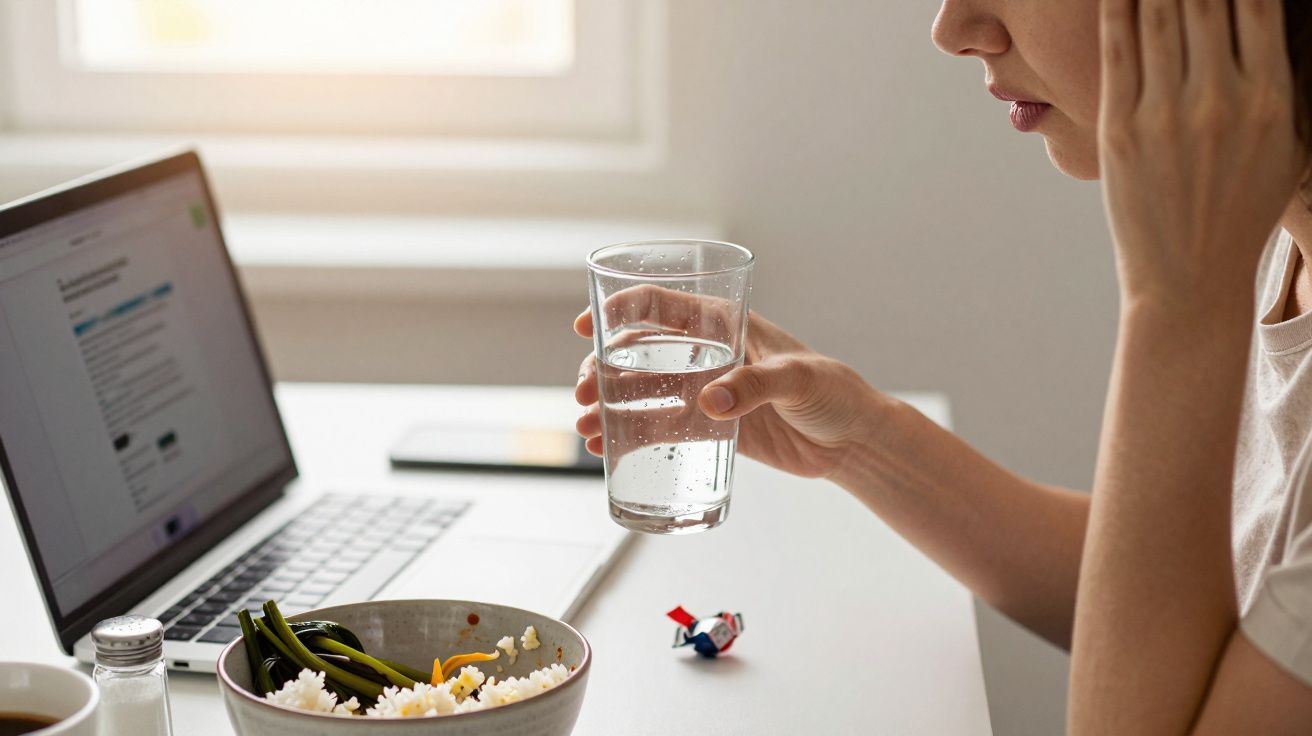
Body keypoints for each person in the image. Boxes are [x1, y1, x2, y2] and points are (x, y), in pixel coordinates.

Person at [574, 0, 1312, 731]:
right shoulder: (1276, 232)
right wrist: (864, 441)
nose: (953, 30)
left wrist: (1174, 302)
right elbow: (1187, 597)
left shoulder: (1209, 257)